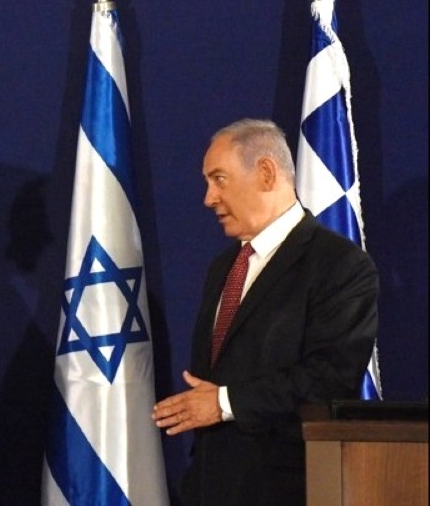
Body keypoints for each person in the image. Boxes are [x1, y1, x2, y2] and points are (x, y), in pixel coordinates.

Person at [152, 119, 378, 505]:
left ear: (266, 173)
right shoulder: (223, 267)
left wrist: (224, 403)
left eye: (219, 179)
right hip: (210, 487)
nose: (208, 198)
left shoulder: (340, 265)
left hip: (284, 490)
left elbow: (330, 379)